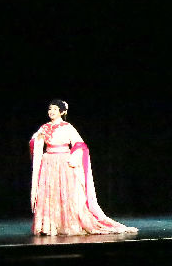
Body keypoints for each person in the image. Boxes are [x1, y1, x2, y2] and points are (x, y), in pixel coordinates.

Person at [29, 99, 137, 236]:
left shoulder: (67, 127)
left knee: (65, 193)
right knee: (49, 193)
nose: (51, 111)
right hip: (48, 163)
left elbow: (79, 144)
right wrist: (37, 139)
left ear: (62, 112)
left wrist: (73, 157)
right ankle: (49, 226)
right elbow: (34, 142)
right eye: (50, 109)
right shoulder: (44, 127)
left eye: (55, 109)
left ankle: (68, 224)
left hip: (63, 162)